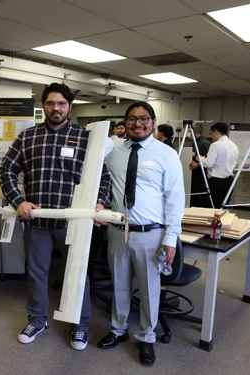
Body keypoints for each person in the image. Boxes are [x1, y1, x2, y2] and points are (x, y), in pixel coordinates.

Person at [0, 83, 111, 351]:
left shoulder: (86, 139)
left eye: (61, 103)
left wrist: (99, 204)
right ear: (43, 106)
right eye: (50, 103)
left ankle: (80, 326)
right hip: (37, 222)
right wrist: (19, 201)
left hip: (73, 224)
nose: (56, 108)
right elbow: (6, 171)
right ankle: (37, 320)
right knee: (37, 274)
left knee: (78, 274)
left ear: (69, 106)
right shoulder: (28, 137)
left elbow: (103, 179)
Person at [96, 102, 184, 366]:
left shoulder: (166, 154)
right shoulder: (113, 153)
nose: (138, 123)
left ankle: (146, 337)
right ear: (125, 123)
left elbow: (175, 199)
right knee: (119, 285)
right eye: (132, 119)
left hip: (151, 234)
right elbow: (99, 182)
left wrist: (170, 239)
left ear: (153, 122)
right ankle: (118, 329)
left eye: (143, 119)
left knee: (148, 289)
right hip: (117, 231)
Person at [189, 122, 239, 209]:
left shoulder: (216, 145)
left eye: (210, 133)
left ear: (215, 132)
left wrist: (200, 159)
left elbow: (208, 163)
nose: (211, 136)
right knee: (222, 208)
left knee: (208, 207)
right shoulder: (233, 146)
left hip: (216, 182)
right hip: (229, 181)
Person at [188, 124, 211, 207]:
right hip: (194, 174)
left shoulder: (204, 143)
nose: (188, 133)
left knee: (198, 198)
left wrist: (198, 165)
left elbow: (208, 161)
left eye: (189, 131)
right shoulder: (196, 142)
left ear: (195, 132)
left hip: (201, 176)